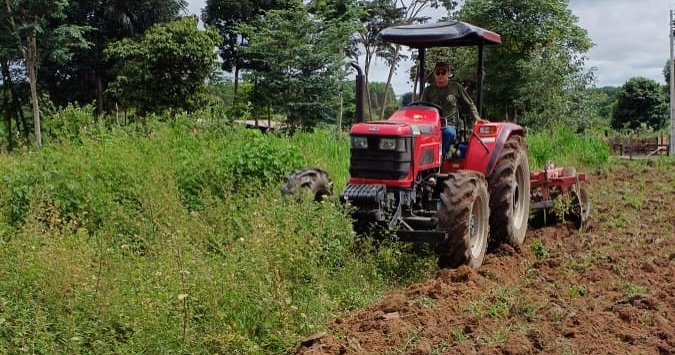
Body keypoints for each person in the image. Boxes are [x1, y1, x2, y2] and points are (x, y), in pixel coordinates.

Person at [421, 61, 481, 159]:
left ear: (448, 73)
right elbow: (422, 108)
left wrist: (477, 119)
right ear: (434, 74)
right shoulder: (428, 90)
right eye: (438, 73)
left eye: (443, 72)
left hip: (450, 124)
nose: (440, 75)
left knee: (448, 133)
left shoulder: (456, 87)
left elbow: (470, 104)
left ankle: (440, 158)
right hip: (432, 125)